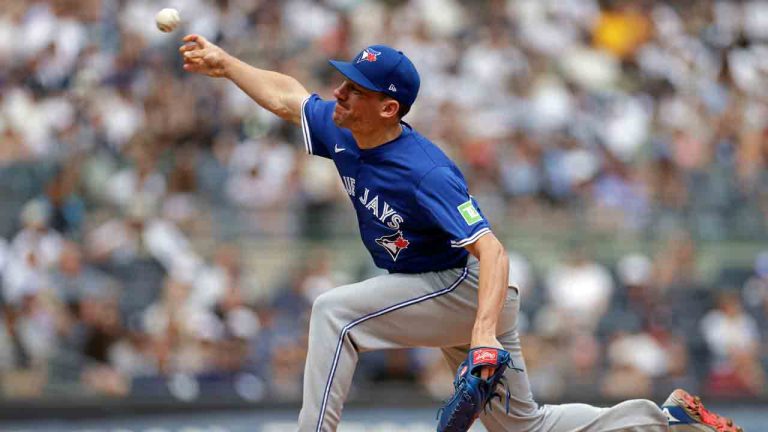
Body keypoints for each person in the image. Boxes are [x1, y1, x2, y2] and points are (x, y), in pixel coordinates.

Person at [179, 35, 742, 432]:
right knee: (527, 429)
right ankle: (665, 421)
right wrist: (227, 64)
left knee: (334, 312)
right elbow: (288, 96)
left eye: (356, 87)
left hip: (463, 287)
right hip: (442, 289)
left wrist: (483, 334)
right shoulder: (346, 129)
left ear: (388, 106)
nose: (341, 93)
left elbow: (493, 250)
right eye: (345, 81)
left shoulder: (425, 170)